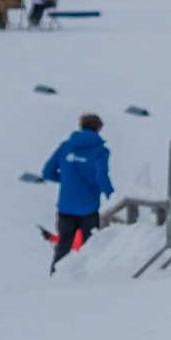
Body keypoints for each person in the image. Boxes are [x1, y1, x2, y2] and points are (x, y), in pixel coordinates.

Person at [42, 113, 114, 275]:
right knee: (91, 249)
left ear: (81, 126)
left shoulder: (65, 147)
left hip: (65, 207)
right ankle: (87, 284)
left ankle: (55, 280)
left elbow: (47, 172)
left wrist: (67, 180)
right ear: (99, 128)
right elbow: (101, 176)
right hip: (88, 209)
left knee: (63, 247)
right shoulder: (101, 151)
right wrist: (111, 196)